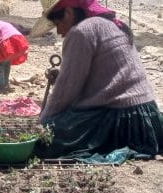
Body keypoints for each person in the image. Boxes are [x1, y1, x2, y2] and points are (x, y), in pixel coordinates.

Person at [31, 0, 163, 158]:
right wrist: (62, 76)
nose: (59, 32)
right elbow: (106, 74)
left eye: (58, 23)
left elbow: (65, 92)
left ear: (69, 13)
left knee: (46, 139)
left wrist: (45, 121)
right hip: (146, 116)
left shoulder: (81, 31)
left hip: (116, 118)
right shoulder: (115, 24)